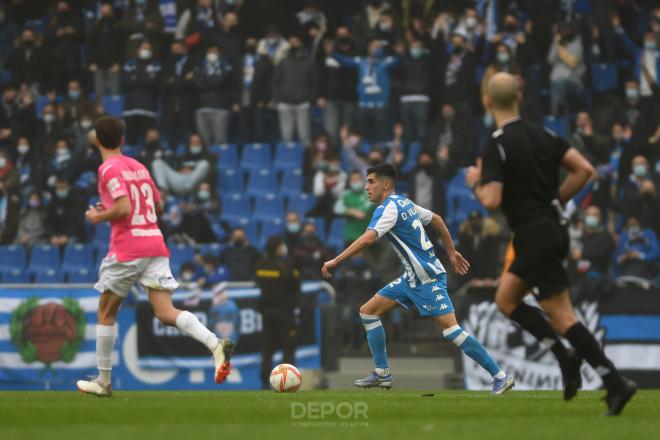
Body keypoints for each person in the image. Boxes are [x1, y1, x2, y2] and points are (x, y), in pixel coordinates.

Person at [465, 72, 636, 415]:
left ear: (487, 101)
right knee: (506, 299)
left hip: (534, 235)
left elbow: (492, 199)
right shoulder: (542, 134)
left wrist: (474, 183)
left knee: (561, 316)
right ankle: (572, 360)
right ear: (519, 97)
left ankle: (610, 380)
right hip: (552, 230)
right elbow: (584, 170)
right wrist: (554, 202)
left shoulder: (497, 142)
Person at [321, 163, 514, 394]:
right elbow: (438, 220)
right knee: (368, 311)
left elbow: (367, 239)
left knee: (451, 331)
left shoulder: (388, 208)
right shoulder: (405, 202)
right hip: (411, 278)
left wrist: (336, 261)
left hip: (428, 278)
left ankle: (500, 376)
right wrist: (451, 253)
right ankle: (382, 373)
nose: (366, 187)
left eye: (371, 181)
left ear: (386, 184)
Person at [76, 117, 233, 397]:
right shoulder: (138, 166)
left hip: (128, 249)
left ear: (97, 140)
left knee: (105, 314)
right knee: (165, 312)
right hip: (154, 245)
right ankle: (214, 344)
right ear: (122, 140)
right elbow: (158, 206)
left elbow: (124, 209)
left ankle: (103, 381)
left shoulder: (107, 169)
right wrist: (117, 207)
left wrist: (98, 215)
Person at [255, 236, 300, 389]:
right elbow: (295, 286)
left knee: (267, 348)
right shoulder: (286, 265)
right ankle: (287, 382)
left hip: (266, 312)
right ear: (278, 247)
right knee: (288, 347)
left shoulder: (260, 264)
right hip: (284, 312)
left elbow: (259, 283)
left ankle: (263, 383)